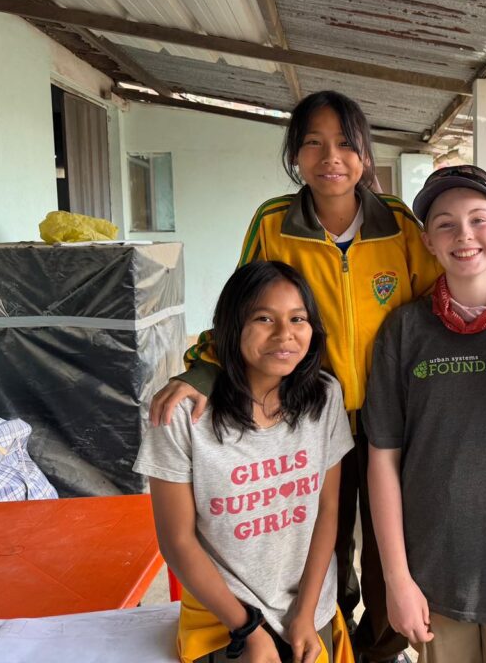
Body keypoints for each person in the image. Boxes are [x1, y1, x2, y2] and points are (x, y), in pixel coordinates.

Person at [149, 90, 442, 663]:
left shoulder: (400, 223)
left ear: (364, 154)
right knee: (317, 531)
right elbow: (243, 308)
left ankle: (379, 647)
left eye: (344, 144)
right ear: (295, 155)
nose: (330, 157)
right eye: (313, 143)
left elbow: (444, 291)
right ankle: (328, 620)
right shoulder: (275, 221)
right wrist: (201, 372)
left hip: (393, 414)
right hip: (308, 413)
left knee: (389, 541)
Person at [365, 165, 486, 663]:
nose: (464, 236)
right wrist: (398, 581)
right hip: (434, 582)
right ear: (428, 242)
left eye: (479, 220)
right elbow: (383, 462)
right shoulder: (403, 332)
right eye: (445, 224)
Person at [134, 261, 354, 663]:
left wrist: (305, 616)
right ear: (231, 326)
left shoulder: (324, 397)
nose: (284, 334)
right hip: (222, 613)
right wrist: (248, 630)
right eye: (264, 318)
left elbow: (328, 509)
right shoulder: (181, 414)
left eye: (298, 319)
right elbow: (177, 540)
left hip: (307, 604)